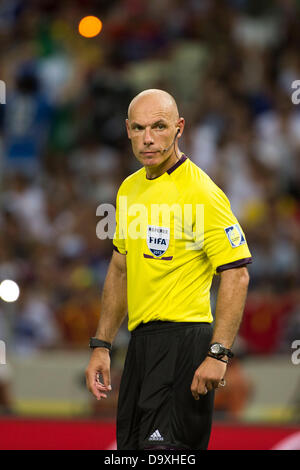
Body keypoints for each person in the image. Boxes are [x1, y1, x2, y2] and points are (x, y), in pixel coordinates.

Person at [85, 89, 252, 450]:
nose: (148, 138)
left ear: (179, 128)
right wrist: (102, 346)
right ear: (126, 130)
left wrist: (218, 354)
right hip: (140, 346)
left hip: (185, 344)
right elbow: (120, 269)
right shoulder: (129, 190)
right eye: (139, 128)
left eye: (159, 127)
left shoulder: (201, 192)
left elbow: (237, 273)